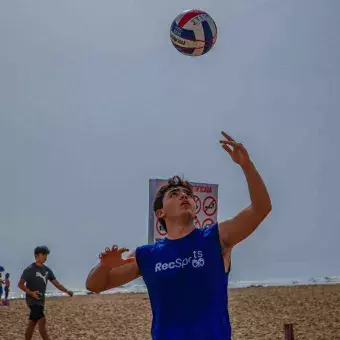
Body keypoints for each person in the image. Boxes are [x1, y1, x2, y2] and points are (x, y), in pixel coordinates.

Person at [86, 131, 272, 340]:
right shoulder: (147, 255)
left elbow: (261, 208)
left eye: (188, 195)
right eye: (174, 195)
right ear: (160, 213)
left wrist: (246, 165)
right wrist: (104, 266)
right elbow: (95, 285)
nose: (184, 196)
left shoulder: (216, 238)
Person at [18, 245, 73, 340]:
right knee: (42, 321)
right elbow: (20, 284)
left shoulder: (47, 270)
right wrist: (31, 293)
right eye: (43, 254)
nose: (45, 256)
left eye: (46, 254)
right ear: (36, 255)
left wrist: (66, 291)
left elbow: (56, 283)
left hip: (41, 300)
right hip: (32, 300)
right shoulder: (29, 269)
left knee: (33, 322)